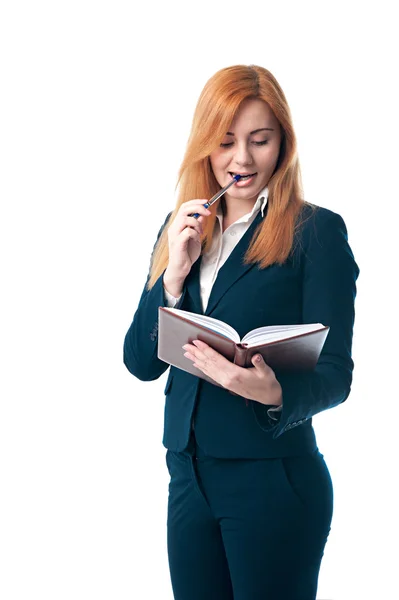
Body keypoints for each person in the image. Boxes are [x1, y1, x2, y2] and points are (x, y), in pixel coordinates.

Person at [123, 64, 359, 600]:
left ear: (283, 144)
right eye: (226, 141)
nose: (242, 159)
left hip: (271, 479)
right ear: (205, 145)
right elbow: (140, 362)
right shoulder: (179, 227)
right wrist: (174, 275)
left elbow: (336, 374)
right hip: (187, 476)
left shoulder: (316, 231)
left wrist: (272, 391)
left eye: (260, 140)